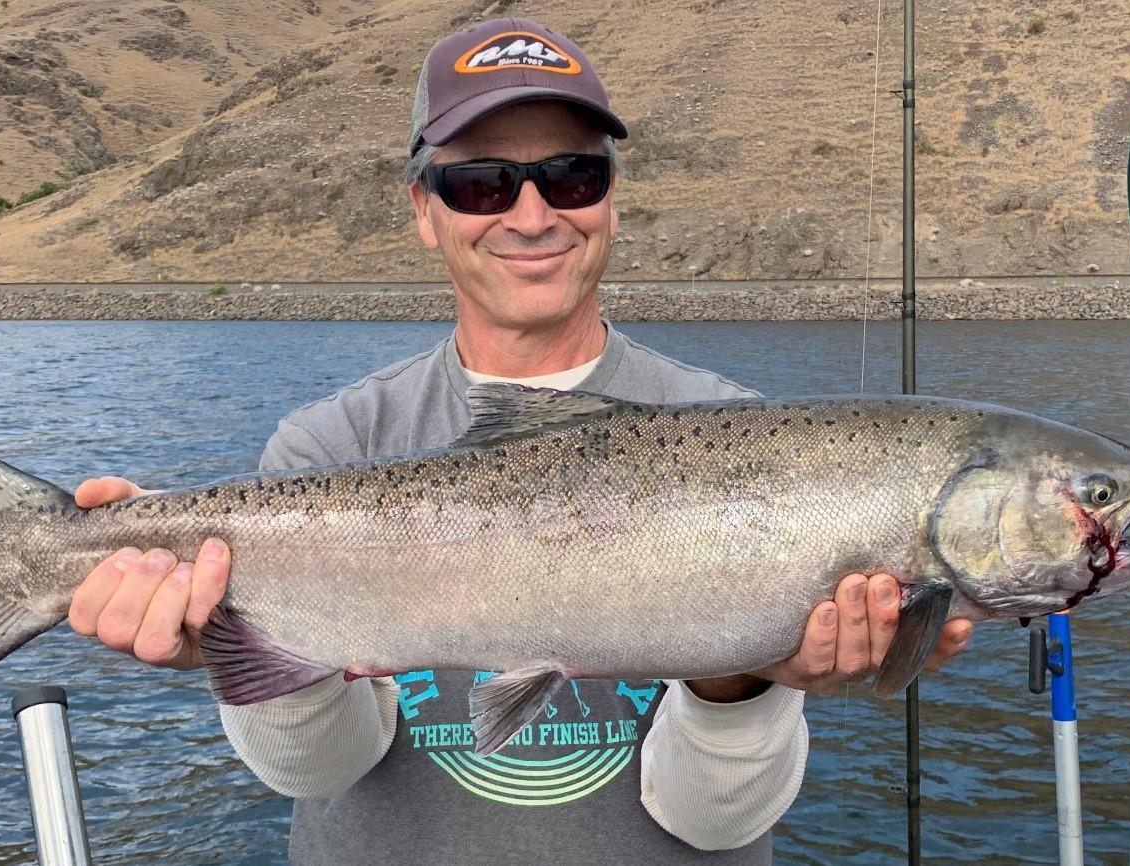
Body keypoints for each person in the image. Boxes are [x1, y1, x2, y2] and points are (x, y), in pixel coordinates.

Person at [68, 18, 973, 864]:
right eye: (480, 182)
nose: (533, 214)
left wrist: (739, 680)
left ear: (612, 201)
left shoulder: (746, 437)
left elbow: (713, 823)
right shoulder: (328, 446)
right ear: (424, 211)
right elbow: (315, 773)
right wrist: (241, 646)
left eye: (572, 175)